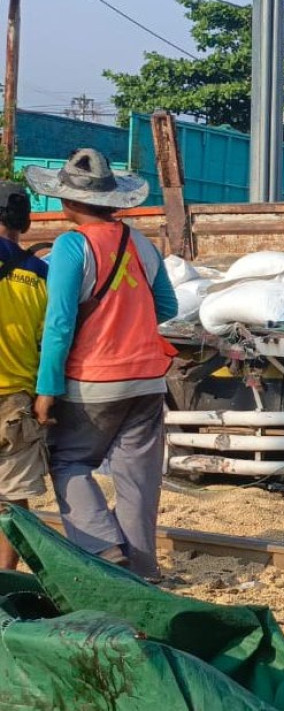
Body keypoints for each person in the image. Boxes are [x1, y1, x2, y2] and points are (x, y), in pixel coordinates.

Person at [25, 149, 178, 582]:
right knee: (138, 477)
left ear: (67, 202)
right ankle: (143, 568)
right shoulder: (141, 242)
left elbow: (60, 322)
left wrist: (47, 388)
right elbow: (166, 304)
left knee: (69, 461)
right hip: (148, 378)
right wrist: (128, 322)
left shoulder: (72, 246)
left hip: (93, 380)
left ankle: (103, 550)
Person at [0, 182, 46, 570]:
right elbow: (47, 338)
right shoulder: (40, 272)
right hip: (17, 396)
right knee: (12, 495)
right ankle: (5, 578)